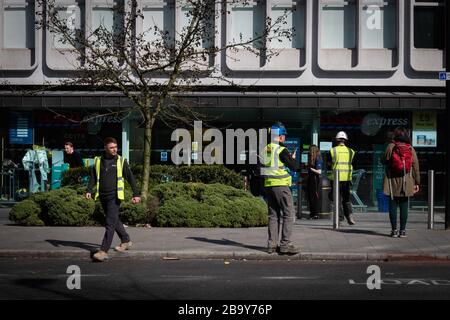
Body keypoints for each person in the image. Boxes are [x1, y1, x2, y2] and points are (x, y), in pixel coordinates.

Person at [86, 137, 141, 262]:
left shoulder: (121, 161)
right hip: (102, 196)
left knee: (109, 223)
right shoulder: (98, 161)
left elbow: (131, 178)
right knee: (114, 219)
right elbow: (93, 177)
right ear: (105, 148)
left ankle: (103, 251)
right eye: (111, 147)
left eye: (115, 147)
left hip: (115, 197)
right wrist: (89, 190)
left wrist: (136, 194)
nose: (114, 149)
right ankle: (126, 240)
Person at [261, 122, 300, 255]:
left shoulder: (265, 149)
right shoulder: (282, 150)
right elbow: (294, 166)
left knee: (273, 215)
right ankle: (285, 244)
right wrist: (292, 158)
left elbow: (260, 168)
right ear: (280, 136)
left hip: (269, 185)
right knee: (289, 214)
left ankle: (271, 245)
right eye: (284, 135)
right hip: (281, 185)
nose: (285, 137)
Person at [381, 127, 420, 238]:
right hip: (406, 181)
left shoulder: (391, 146)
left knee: (392, 206)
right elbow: (416, 166)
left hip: (391, 180)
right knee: (404, 206)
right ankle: (402, 231)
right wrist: (417, 182)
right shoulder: (410, 148)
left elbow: (382, 160)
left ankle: (394, 231)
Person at [327, 131, 356, 225]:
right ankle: (349, 216)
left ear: (337, 140)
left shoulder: (332, 150)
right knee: (347, 199)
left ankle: (339, 218)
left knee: (336, 199)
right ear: (345, 140)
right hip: (347, 178)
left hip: (335, 178)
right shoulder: (351, 151)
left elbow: (328, 165)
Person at [306, 145, 323, 219]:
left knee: (314, 196)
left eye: (309, 150)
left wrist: (310, 168)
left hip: (315, 179)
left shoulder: (318, 158)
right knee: (310, 196)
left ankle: (315, 214)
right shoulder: (312, 158)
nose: (309, 152)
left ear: (312, 150)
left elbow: (319, 171)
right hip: (311, 179)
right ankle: (312, 213)